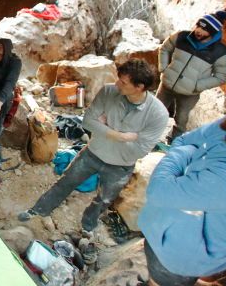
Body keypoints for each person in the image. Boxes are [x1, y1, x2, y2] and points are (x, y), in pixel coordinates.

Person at [18, 59, 168, 232]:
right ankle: (38, 210)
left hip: (121, 165)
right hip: (93, 152)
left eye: (123, 82)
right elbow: (88, 122)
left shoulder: (158, 114)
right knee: (66, 182)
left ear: (140, 87)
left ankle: (88, 226)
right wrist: (120, 135)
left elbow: (141, 149)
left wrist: (103, 126)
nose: (117, 83)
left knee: (104, 199)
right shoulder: (109, 91)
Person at [136, 88, 226, 286]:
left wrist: (184, 154)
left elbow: (160, 190)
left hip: (179, 254)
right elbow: (186, 139)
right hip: (186, 236)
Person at [157, 10, 226, 140]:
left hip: (189, 93)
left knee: (181, 118)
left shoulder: (221, 52)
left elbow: (221, 76)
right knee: (155, 111)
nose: (198, 31)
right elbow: (165, 48)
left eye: (204, 29)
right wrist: (164, 68)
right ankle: (149, 136)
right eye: (198, 26)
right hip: (167, 84)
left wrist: (197, 85)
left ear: (212, 33)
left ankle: (174, 141)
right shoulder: (181, 36)